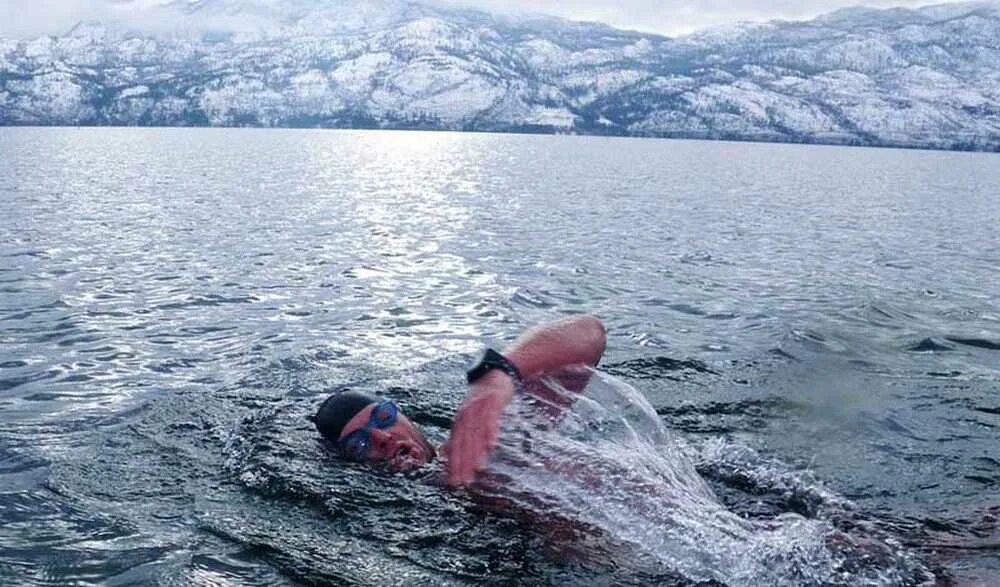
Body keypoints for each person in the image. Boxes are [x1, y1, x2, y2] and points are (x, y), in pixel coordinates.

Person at [312, 315, 607, 487]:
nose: (383, 437)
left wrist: (497, 376)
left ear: (406, 417)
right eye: (358, 444)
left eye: (384, 417)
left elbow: (590, 333)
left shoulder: (487, 437)